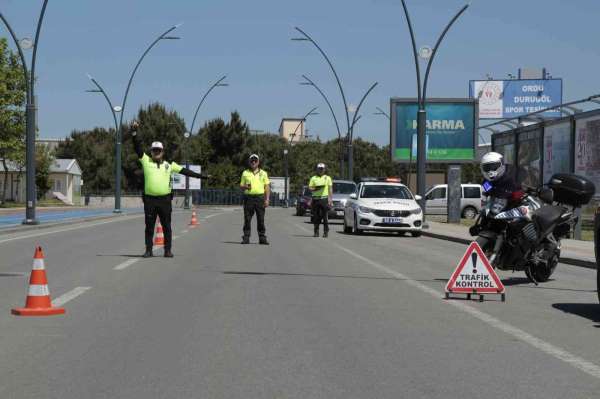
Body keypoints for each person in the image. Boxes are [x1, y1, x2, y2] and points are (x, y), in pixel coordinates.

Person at [130, 120, 209, 258]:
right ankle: (149, 250)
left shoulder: (169, 164)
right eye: (154, 150)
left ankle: (168, 250)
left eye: (158, 150)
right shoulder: (146, 161)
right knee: (149, 226)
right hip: (149, 200)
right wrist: (134, 132)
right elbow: (137, 147)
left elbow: (185, 171)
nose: (156, 152)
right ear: (151, 152)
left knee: (167, 226)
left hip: (165, 200)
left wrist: (201, 176)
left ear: (163, 151)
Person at [240, 154, 270, 245]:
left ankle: (262, 238)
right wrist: (245, 186)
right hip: (248, 198)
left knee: (260, 219)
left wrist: (267, 199)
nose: (253, 162)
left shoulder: (263, 173)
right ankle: (246, 237)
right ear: (249, 162)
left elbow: (267, 187)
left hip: (260, 198)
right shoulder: (245, 173)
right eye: (252, 161)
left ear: (258, 162)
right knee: (247, 219)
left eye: (255, 160)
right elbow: (241, 185)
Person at [309, 163, 333, 238]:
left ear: (325, 169)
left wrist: (330, 199)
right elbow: (310, 188)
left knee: (324, 216)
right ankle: (316, 232)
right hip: (315, 199)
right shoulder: (313, 178)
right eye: (319, 168)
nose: (321, 170)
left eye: (322, 168)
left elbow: (330, 189)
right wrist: (316, 188)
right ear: (317, 169)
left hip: (324, 199)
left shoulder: (328, 178)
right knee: (316, 217)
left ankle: (326, 231)